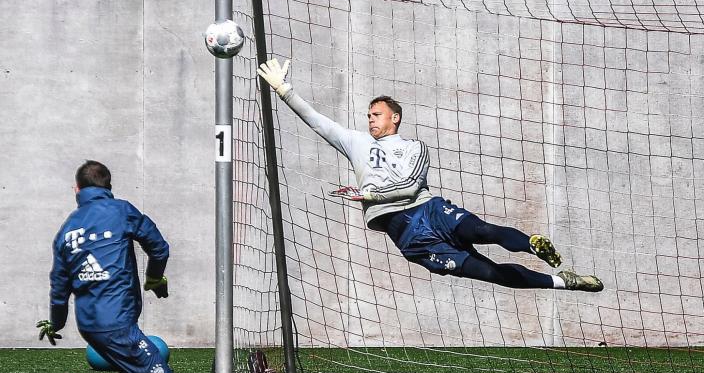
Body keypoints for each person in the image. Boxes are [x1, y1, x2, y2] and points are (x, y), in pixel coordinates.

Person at [256, 58, 603, 292]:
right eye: (368, 115)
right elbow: (317, 121)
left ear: (395, 118)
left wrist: (372, 196)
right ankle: (564, 282)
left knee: (482, 230)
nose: (371, 119)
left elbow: (409, 187)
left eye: (377, 114)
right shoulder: (355, 142)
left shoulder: (415, 147)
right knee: (490, 273)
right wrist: (284, 90)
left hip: (428, 211)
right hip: (408, 235)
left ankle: (532, 244)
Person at [36, 160, 188, 373]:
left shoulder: (67, 228)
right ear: (108, 187)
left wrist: (56, 322)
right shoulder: (120, 210)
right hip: (116, 323)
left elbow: (58, 284)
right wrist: (155, 278)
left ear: (76, 190)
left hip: (90, 324)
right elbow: (158, 248)